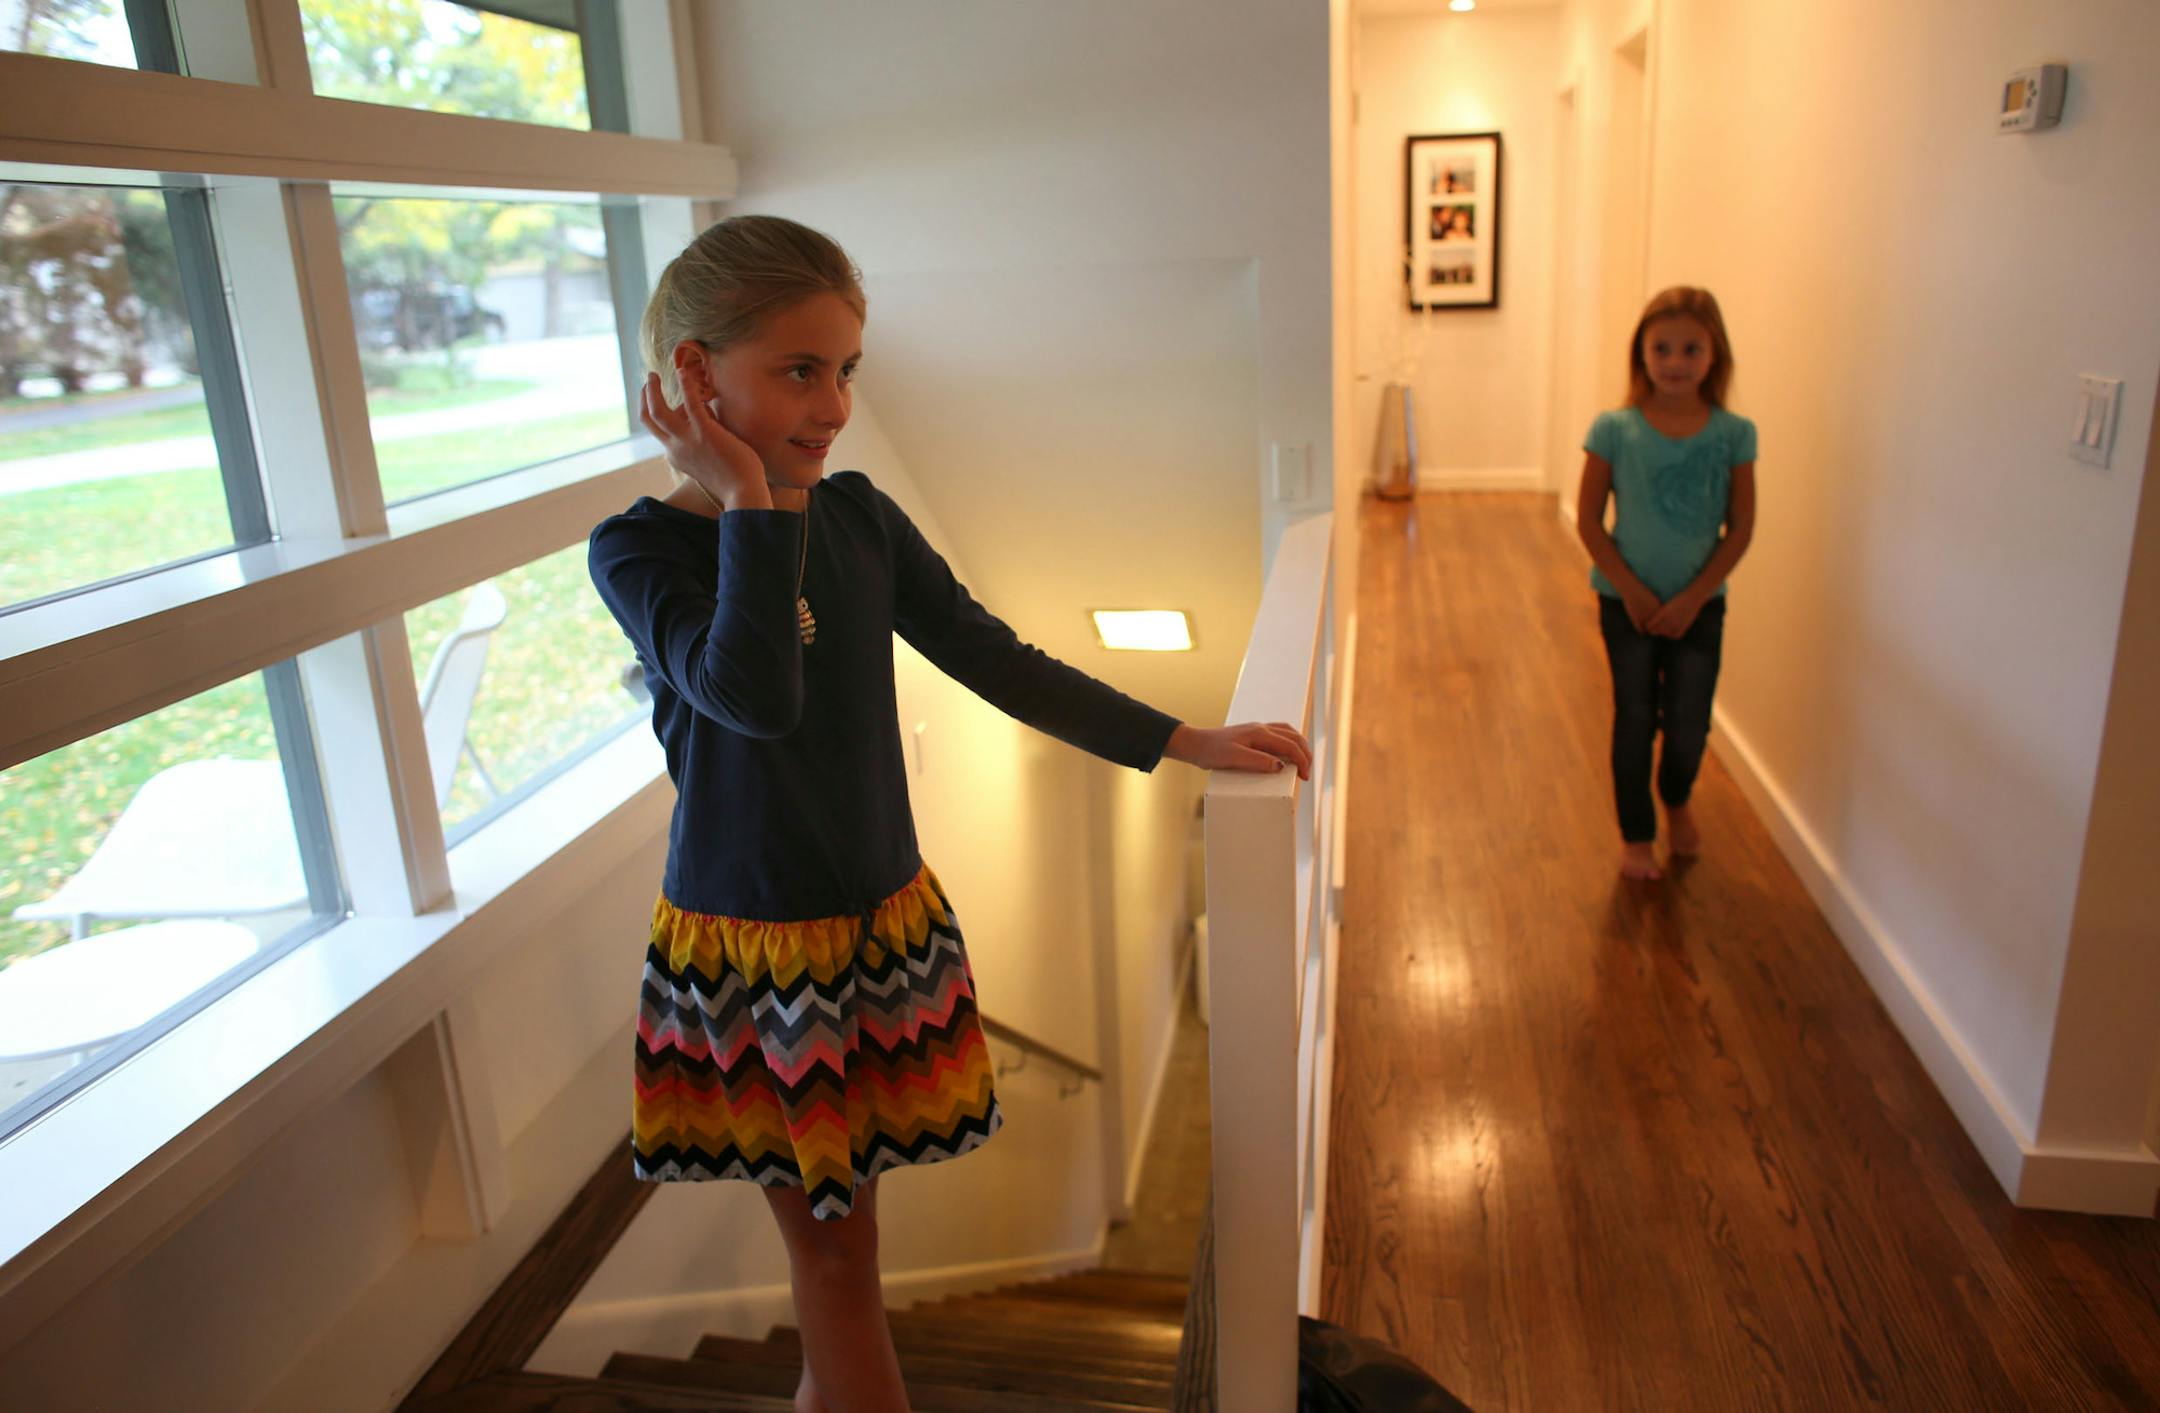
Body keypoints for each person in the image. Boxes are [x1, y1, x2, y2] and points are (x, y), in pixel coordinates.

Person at [587, 214, 1311, 1413]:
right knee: (836, 1260)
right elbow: (751, 697)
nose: (832, 406)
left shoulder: (862, 516)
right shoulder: (639, 552)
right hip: (760, 954)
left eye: (847, 371)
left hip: (880, 924)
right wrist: (750, 499)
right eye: (800, 371)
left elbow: (995, 656)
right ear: (697, 378)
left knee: (843, 1260)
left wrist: (1182, 738)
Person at [1575, 286, 1757, 882]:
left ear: (1714, 357)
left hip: (1699, 609)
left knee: (1688, 724)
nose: (1675, 361)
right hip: (1624, 603)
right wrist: (1630, 589)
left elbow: (1740, 528)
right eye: (1662, 348)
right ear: (1641, 354)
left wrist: (1692, 599)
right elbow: (1589, 521)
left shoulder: (1733, 434)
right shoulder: (1614, 429)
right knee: (1635, 716)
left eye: (1690, 349)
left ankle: (1675, 797)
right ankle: (1637, 834)